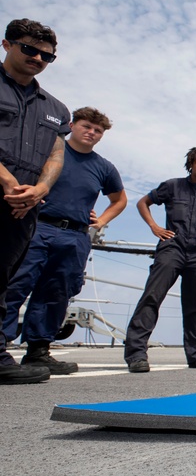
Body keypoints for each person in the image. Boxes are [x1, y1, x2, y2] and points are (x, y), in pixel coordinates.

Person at [2, 108, 126, 374]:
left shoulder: (103, 167)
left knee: (57, 294)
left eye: (98, 131)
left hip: (75, 236)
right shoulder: (50, 153)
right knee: (15, 286)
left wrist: (101, 220)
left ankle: (38, 351)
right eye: (86, 126)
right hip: (38, 227)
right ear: (71, 125)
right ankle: (1, 346)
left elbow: (119, 200)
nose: (91, 133)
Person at [0, 18, 71, 385]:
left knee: (5, 277)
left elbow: (56, 155)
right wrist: (8, 182)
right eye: (29, 49)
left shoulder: (56, 109)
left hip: (24, 205)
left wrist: (41, 190)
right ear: (7, 44)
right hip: (10, 190)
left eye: (46, 56)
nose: (38, 58)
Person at [123, 147, 196, 373]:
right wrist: (154, 227)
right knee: (152, 297)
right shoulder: (172, 186)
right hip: (172, 248)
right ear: (190, 164)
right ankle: (136, 354)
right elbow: (143, 202)